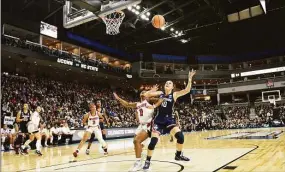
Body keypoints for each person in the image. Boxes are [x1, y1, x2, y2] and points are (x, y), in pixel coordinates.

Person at [142, 70, 196, 170]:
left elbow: (187, 90)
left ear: (172, 87)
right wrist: (151, 91)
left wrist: (189, 79)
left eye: (170, 83)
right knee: (153, 142)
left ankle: (178, 155)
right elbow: (145, 95)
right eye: (166, 83)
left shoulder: (174, 95)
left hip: (169, 121)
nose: (167, 84)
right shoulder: (160, 93)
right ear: (164, 86)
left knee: (180, 137)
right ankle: (147, 161)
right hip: (158, 121)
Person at [113, 91, 155, 172]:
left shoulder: (151, 103)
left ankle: (139, 163)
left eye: (145, 93)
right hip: (141, 125)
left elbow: (161, 100)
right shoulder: (137, 104)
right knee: (137, 144)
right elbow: (127, 104)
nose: (143, 93)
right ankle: (144, 162)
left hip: (148, 125)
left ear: (148, 96)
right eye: (141, 93)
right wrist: (118, 99)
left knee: (137, 141)